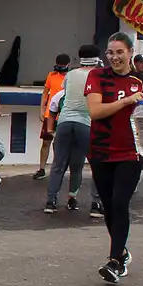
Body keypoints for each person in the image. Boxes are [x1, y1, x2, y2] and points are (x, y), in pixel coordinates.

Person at [87, 32, 143, 285]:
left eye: (119, 52)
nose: (114, 57)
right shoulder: (97, 76)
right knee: (108, 206)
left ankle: (114, 261)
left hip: (130, 153)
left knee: (120, 201)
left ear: (130, 52)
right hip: (101, 150)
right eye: (110, 52)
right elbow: (95, 111)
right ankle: (122, 253)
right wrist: (126, 101)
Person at [45, 46, 102, 215]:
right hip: (86, 123)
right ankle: (96, 205)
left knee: (58, 164)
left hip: (64, 122)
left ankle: (50, 201)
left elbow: (62, 95)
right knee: (93, 164)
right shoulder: (99, 75)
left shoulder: (70, 75)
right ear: (97, 58)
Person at [37, 54, 71, 179]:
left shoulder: (71, 77)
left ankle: (58, 169)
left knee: (59, 144)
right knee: (46, 142)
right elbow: (45, 93)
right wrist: (41, 109)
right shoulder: (51, 75)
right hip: (49, 115)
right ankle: (41, 169)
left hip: (64, 115)